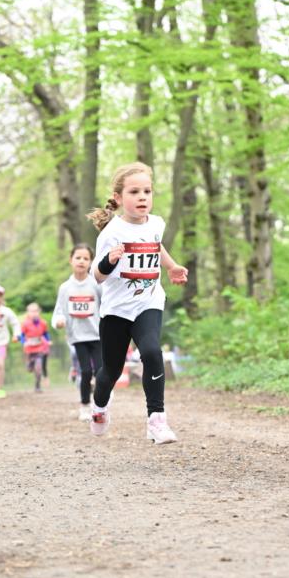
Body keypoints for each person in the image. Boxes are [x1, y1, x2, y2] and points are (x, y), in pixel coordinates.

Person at [86, 162, 188, 443]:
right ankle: (100, 406)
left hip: (148, 302)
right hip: (117, 310)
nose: (142, 197)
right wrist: (110, 260)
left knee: (153, 352)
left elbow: (156, 245)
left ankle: (157, 420)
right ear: (119, 198)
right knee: (111, 371)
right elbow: (96, 275)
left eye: (147, 191)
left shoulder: (156, 223)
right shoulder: (111, 233)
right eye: (134, 191)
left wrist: (171, 266)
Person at [52, 244, 102, 420]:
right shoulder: (65, 288)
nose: (81, 261)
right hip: (78, 336)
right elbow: (58, 310)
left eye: (86, 258)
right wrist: (58, 321)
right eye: (78, 258)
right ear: (71, 260)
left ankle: (101, 403)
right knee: (85, 371)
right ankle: (85, 406)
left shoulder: (96, 284)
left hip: (97, 335)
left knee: (101, 371)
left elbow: (106, 306)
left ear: (90, 262)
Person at [20, 302, 51, 393]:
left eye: (36, 311)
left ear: (39, 311)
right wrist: (24, 342)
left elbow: (46, 333)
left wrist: (48, 340)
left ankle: (37, 386)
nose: (34, 313)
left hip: (39, 348)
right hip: (29, 349)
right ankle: (30, 365)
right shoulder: (25, 323)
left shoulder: (43, 323)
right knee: (30, 369)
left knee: (38, 368)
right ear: (28, 312)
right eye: (32, 311)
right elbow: (21, 335)